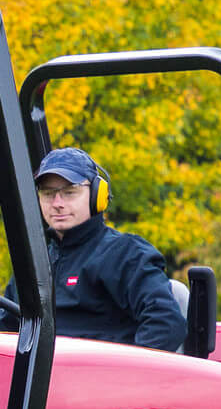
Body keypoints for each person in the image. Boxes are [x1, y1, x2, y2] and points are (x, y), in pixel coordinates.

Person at [22, 146, 186, 352]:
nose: (57, 203)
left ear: (97, 196)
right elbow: (2, 325)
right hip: (41, 371)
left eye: (69, 192)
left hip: (103, 370)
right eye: (48, 194)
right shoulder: (35, 262)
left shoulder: (126, 254)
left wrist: (124, 369)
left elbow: (167, 324)